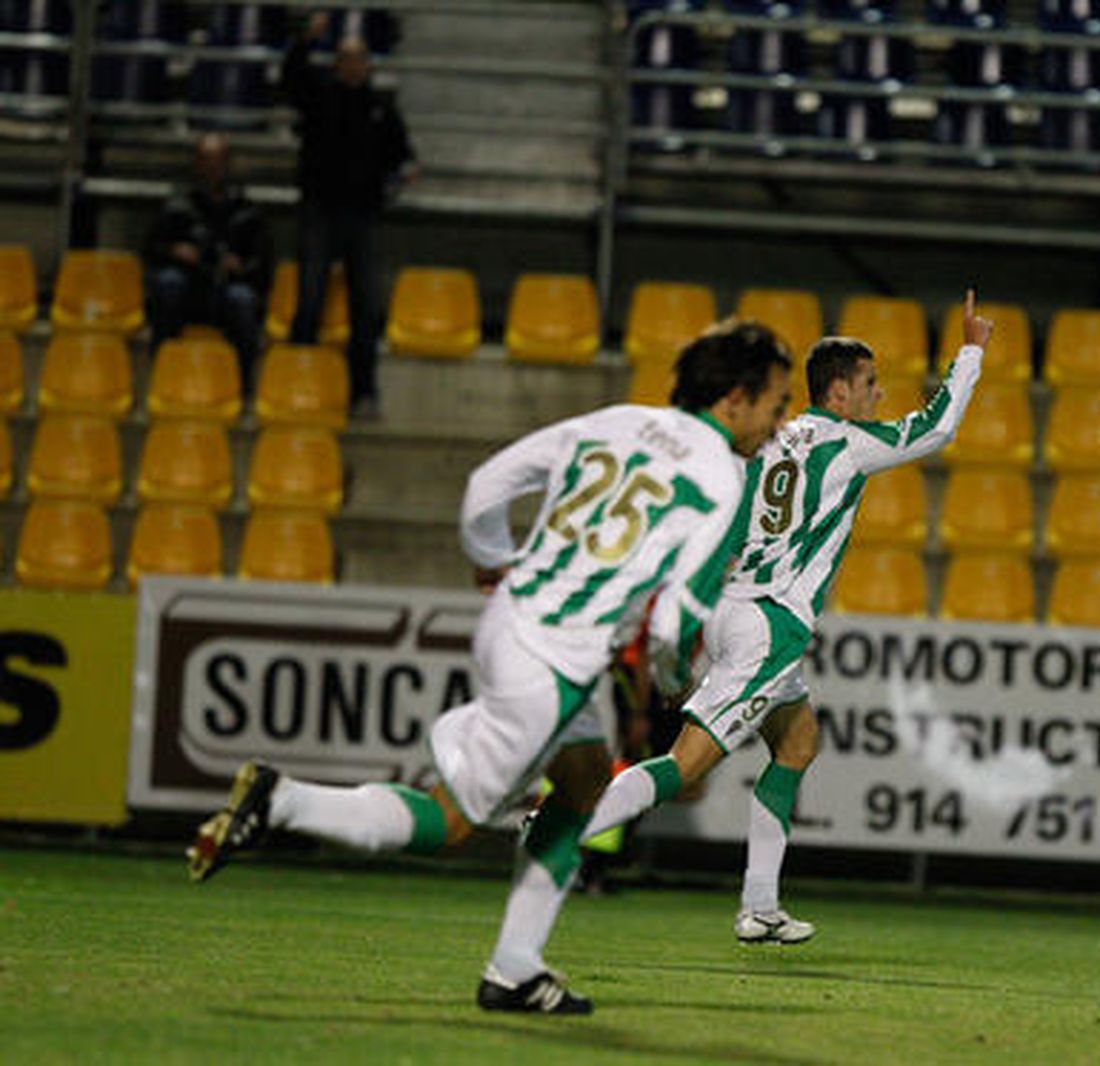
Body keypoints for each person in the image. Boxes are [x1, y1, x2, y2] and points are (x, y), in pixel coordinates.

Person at [187, 320, 794, 1015]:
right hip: (554, 663)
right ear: (737, 399)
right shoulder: (722, 479)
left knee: (585, 778)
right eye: (776, 407)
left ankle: (516, 967)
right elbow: (673, 619)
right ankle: (285, 800)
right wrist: (673, 687)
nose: (776, 428)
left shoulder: (618, 420)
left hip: (511, 618)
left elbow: (488, 483)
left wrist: (490, 559)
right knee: (450, 823)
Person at [575, 289, 992, 945]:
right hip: (771, 623)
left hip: (735, 607)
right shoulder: (847, 443)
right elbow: (937, 427)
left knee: (798, 744)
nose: (880, 395)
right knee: (684, 765)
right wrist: (970, 351)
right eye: (871, 384)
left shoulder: (769, 441)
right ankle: (562, 816)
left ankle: (760, 906)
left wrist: (689, 629)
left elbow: (724, 530)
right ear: (840, 395)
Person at [282, 11, 415, 417]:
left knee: (365, 310)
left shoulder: (379, 108)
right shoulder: (320, 96)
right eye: (347, 60)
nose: (355, 67)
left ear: (369, 65)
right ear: (337, 65)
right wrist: (305, 41)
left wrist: (403, 173)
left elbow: (403, 155)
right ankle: (292, 385)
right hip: (320, 212)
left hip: (362, 217)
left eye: (361, 60)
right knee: (309, 302)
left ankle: (363, 392)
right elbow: (291, 80)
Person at [145, 133, 271, 390]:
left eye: (218, 160)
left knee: (243, 299)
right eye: (206, 160)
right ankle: (162, 374)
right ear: (196, 164)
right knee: (168, 283)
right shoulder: (177, 206)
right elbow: (150, 250)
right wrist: (174, 251)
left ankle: (243, 385)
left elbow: (262, 263)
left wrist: (240, 266)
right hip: (189, 288)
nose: (212, 167)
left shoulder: (246, 212)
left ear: (227, 164)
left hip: (226, 290)